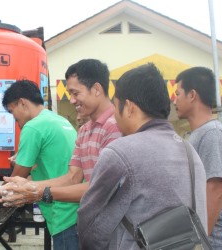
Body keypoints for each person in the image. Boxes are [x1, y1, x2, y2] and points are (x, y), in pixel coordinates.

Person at [76, 63, 207, 249]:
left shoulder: (120, 152)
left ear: (129, 107)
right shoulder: (189, 151)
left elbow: (91, 227)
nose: (114, 112)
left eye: (115, 105)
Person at [0, 79, 80, 250]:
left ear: (22, 103)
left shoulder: (33, 127)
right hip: (77, 211)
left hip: (63, 213)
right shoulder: (58, 120)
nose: (16, 122)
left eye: (13, 113)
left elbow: (17, 177)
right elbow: (48, 166)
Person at [0, 59, 121, 205]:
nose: (72, 101)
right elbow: (73, 178)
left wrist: (39, 192)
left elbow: (103, 187)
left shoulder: (116, 127)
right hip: (88, 218)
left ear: (96, 89)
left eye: (75, 93)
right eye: (70, 94)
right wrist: (30, 187)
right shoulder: (84, 130)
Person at [174, 66, 222, 248]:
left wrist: (200, 241)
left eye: (178, 94)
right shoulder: (195, 134)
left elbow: (216, 189)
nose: (174, 100)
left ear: (192, 95)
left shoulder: (212, 133)